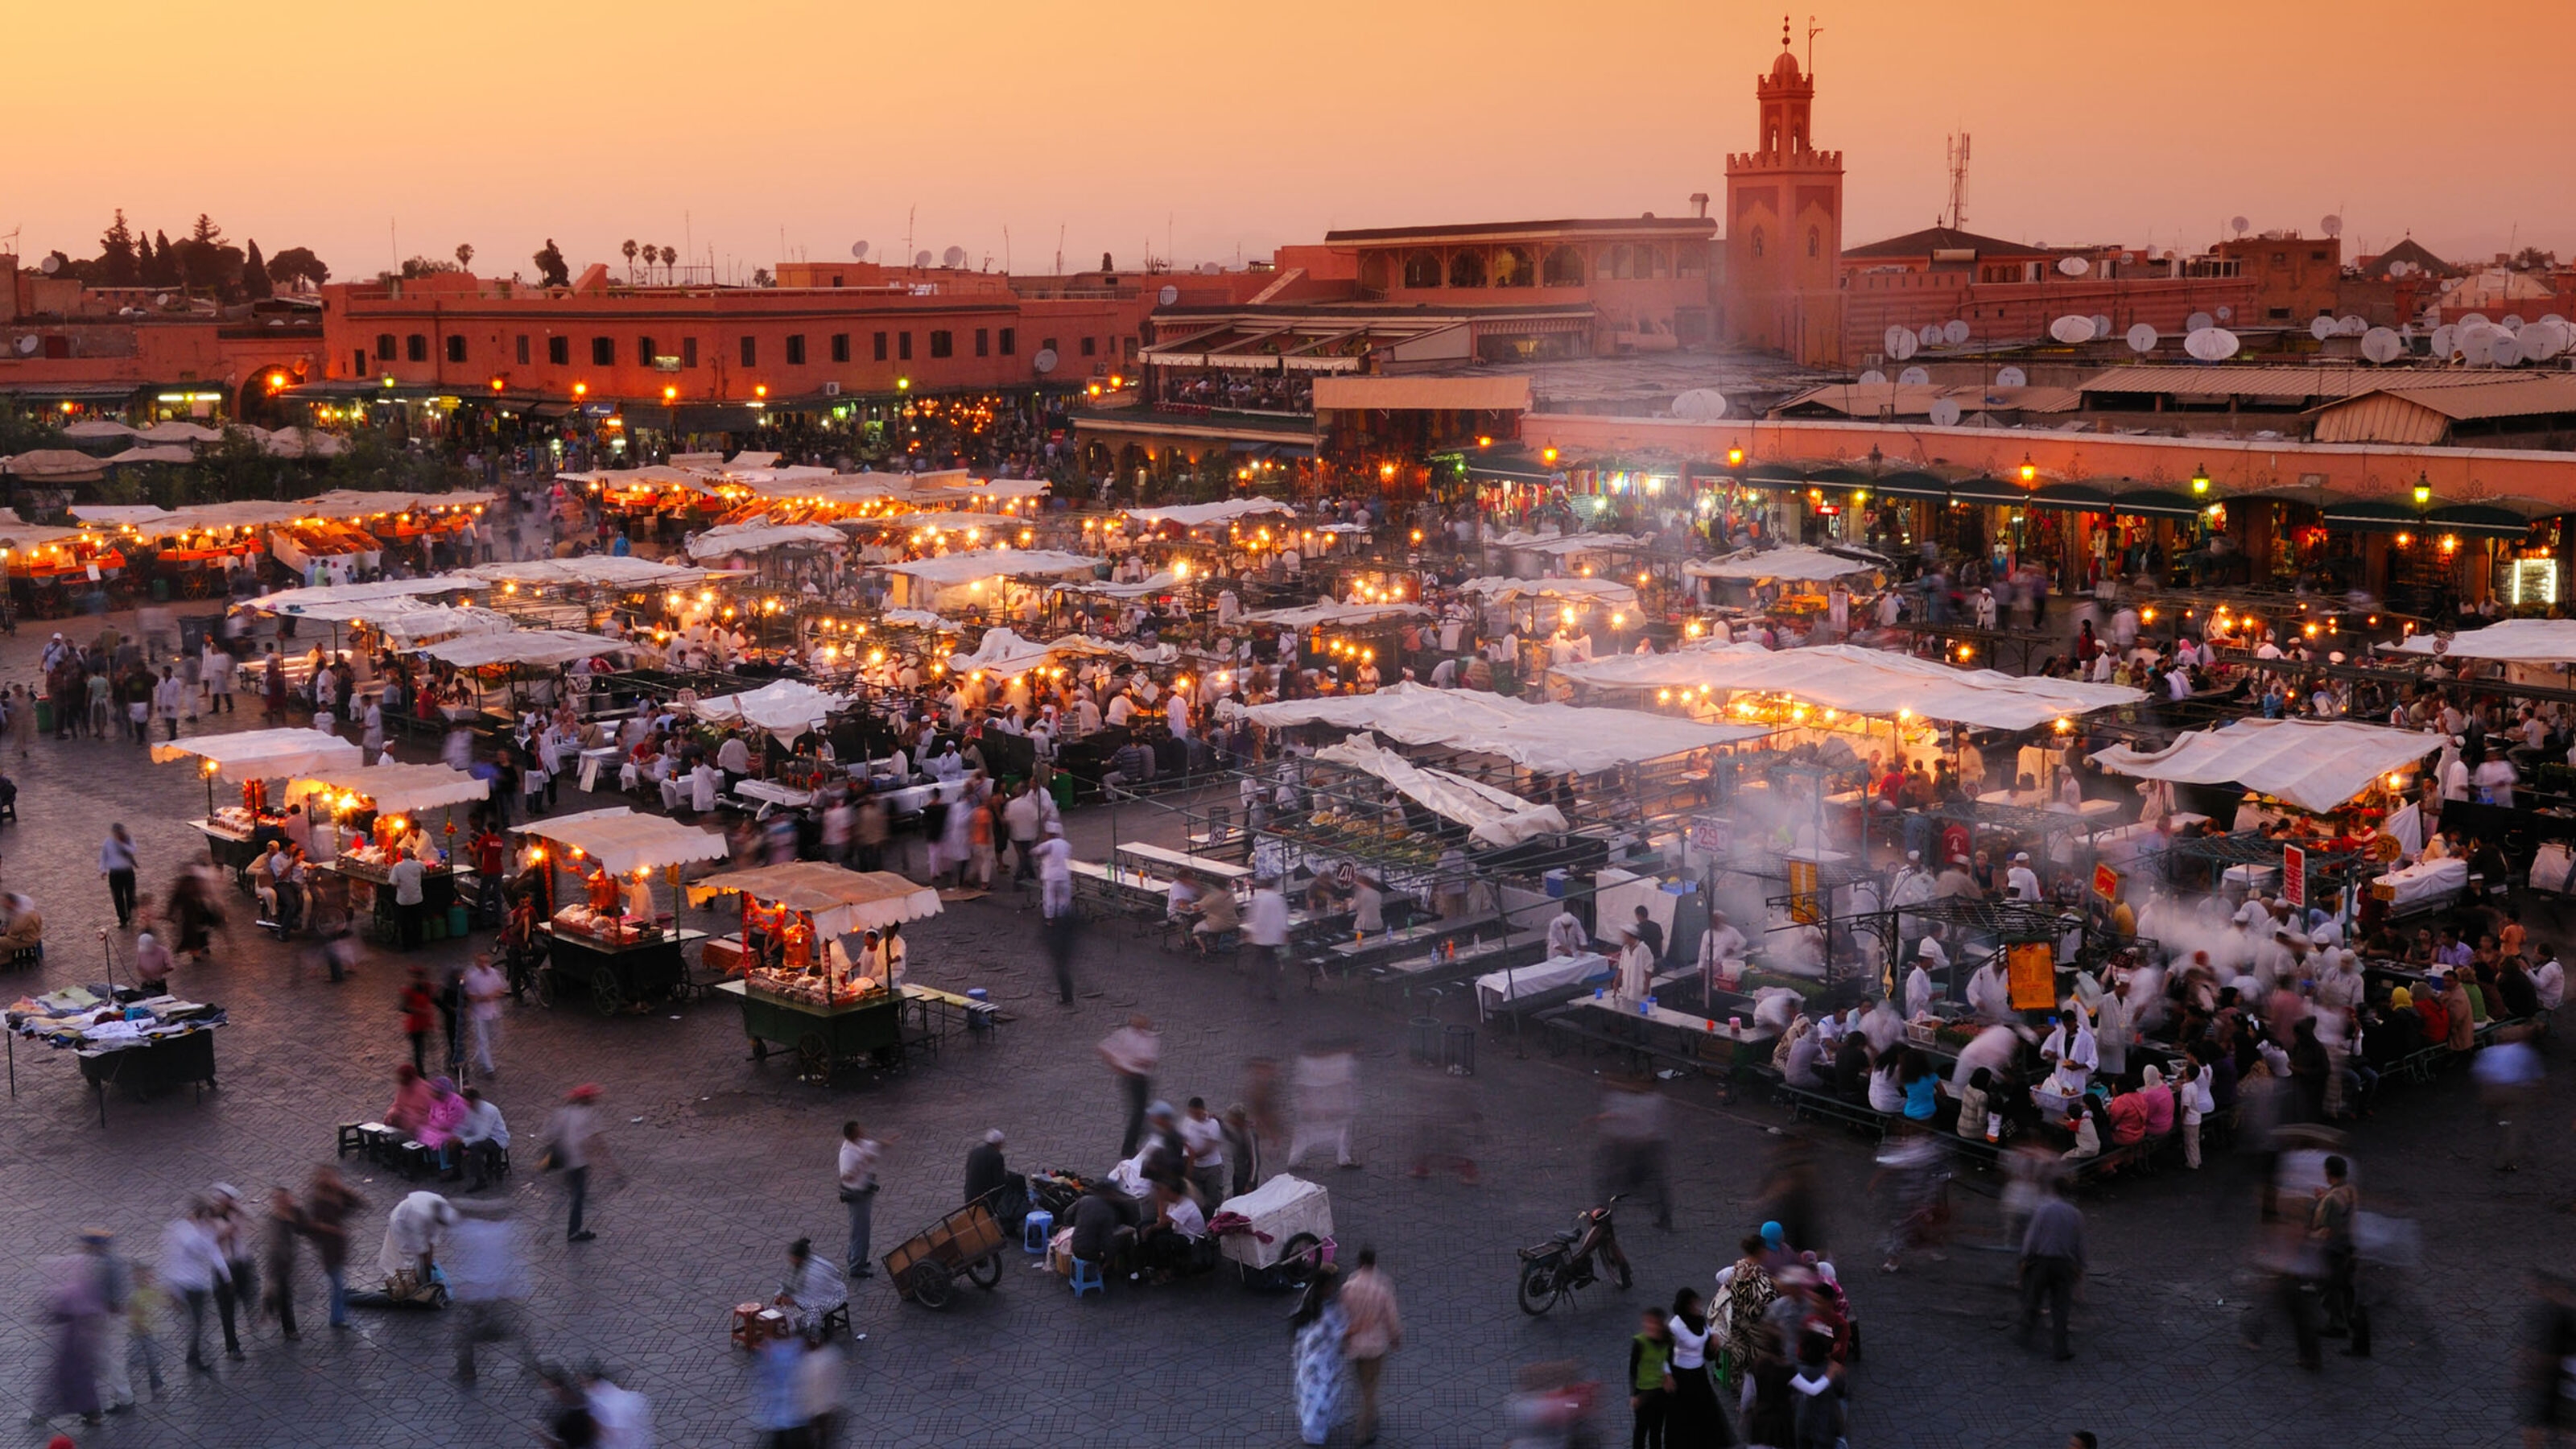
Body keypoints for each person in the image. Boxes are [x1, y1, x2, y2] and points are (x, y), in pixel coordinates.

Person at [444, 1199, 528, 1385]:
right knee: (517, 1329)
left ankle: (466, 1372)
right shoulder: (502, 1230)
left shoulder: (465, 1231)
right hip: (499, 1289)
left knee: (463, 1333)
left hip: (473, 1291)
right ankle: (532, 1365)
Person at [159, 1199, 232, 1371]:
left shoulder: (200, 1231)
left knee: (198, 1321)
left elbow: (214, 1253)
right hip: (187, 1284)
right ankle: (196, 1357)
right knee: (197, 1321)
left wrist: (227, 1277)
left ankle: (194, 1355)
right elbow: (197, 1248)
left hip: (198, 1284)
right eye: (205, 1218)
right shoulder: (184, 1231)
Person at [1340, 1246, 1402, 1446]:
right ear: (1374, 1263)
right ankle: (1363, 1431)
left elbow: (1342, 1316)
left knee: (1363, 1385)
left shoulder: (1348, 1287)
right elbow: (1391, 1318)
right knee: (1370, 1389)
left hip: (1355, 1345)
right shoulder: (1382, 1288)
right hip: (1375, 1348)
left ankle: (1371, 1415)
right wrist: (1395, 1337)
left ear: (1359, 1263)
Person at [2017, 1178, 2084, 1361]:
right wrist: (2080, 1266)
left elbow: (2032, 1237)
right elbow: (2079, 1243)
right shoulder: (2075, 1214)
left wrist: (2025, 1258)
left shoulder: (2043, 1210)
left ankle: (2025, 1335)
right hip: (2064, 1264)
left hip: (2042, 1262)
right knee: (2061, 1307)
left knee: (2034, 1299)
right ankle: (2060, 1348)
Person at [1291, 1266, 1351, 1447]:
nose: (1333, 1289)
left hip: (1315, 1362)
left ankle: (1315, 1430)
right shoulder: (1322, 1310)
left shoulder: (1313, 1301)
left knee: (1315, 1395)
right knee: (1318, 1397)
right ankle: (1313, 1432)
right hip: (1318, 1364)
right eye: (1331, 1285)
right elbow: (1336, 1332)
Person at [546, 1084, 610, 1243]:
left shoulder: (562, 1113)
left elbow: (550, 1134)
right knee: (578, 1196)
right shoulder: (588, 1115)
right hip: (578, 1161)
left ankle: (574, 1222)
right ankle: (574, 1231)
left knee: (576, 1193)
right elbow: (596, 1140)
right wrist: (607, 1162)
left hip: (565, 1160)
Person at [302, 1166, 362, 1331]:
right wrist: (331, 1229)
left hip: (338, 1247)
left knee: (338, 1284)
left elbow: (357, 1204)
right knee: (338, 1284)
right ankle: (338, 1317)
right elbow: (311, 1225)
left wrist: (342, 1190)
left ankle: (339, 1315)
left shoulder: (335, 1196)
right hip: (329, 1249)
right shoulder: (318, 1201)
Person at [1099, 1015, 1160, 1158]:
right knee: (1138, 1113)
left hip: (1142, 1078)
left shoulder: (1150, 1038)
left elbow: (1150, 1061)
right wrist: (1119, 1064)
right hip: (1132, 1078)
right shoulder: (1126, 1035)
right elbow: (1104, 1048)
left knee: (1141, 1111)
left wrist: (1131, 1061)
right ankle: (1129, 1147)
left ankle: (1143, 1135)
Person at [773, 1237, 846, 1340]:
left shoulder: (815, 1273)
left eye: (793, 1257)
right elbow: (788, 1282)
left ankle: (812, 1340)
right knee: (781, 1308)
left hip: (831, 1295)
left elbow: (814, 1297)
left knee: (813, 1311)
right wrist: (782, 1294)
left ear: (799, 1258)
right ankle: (792, 1330)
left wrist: (793, 1300)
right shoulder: (797, 1264)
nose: (790, 1260)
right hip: (806, 1295)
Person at [837, 1121, 883, 1279]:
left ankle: (856, 1258)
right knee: (860, 1231)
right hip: (857, 1195)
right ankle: (856, 1266)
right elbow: (846, 1176)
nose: (863, 1131)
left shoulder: (859, 1143)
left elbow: (873, 1146)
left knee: (858, 1229)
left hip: (863, 1192)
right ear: (852, 1135)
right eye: (859, 1130)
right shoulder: (847, 1154)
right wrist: (863, 1164)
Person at [1629, 1305, 1674, 1449]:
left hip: (1661, 1392)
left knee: (1656, 1430)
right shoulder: (1640, 1342)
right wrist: (1634, 1395)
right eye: (1646, 1322)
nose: (1648, 1326)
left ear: (1660, 1325)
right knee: (1641, 1430)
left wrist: (1669, 1376)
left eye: (1652, 1322)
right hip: (1643, 1392)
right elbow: (1633, 1368)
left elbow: (1670, 1361)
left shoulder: (1669, 1341)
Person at [462, 952, 506, 1080]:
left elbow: (501, 989)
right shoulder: (472, 976)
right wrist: (483, 998)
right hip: (479, 1013)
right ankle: (489, 1068)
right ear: (476, 962)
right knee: (483, 1039)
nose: (484, 965)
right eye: (481, 962)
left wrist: (493, 996)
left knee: (493, 1037)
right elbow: (470, 996)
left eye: (486, 962)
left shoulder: (493, 973)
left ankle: (480, 1056)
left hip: (493, 1012)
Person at [101, 824, 138, 930]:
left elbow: (133, 850)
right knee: (118, 897)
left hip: (127, 872)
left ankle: (131, 917)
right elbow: (103, 856)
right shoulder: (108, 842)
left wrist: (121, 844)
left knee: (130, 895)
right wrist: (103, 869)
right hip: (115, 873)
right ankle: (122, 919)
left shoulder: (128, 840)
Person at [964, 1129, 1009, 1216]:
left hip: (969, 1196)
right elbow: (999, 1182)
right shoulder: (997, 1156)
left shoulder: (974, 1152)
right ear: (998, 1143)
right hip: (984, 1201)